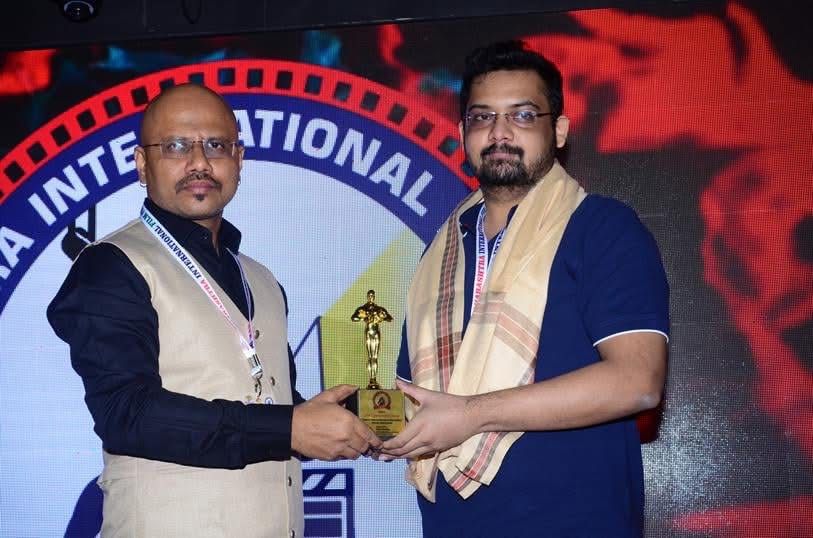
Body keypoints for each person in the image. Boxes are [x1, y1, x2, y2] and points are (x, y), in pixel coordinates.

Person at [47, 83, 380, 537]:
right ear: (142, 164)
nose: (199, 162)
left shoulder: (260, 279)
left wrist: (330, 419)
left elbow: (265, 403)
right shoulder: (111, 265)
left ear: (239, 160)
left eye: (216, 146)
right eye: (176, 146)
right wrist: (288, 428)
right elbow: (126, 413)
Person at [379, 41, 669, 537]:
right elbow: (420, 402)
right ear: (463, 133)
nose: (500, 132)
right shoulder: (439, 255)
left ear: (559, 130)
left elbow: (637, 381)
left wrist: (472, 415)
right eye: (482, 117)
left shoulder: (601, 228)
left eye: (523, 115)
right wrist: (356, 422)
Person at [350, 290, 394, 388]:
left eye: (372, 296)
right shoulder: (363, 308)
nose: (371, 297)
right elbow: (353, 318)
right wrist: (363, 317)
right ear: (367, 297)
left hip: (376, 332)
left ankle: (374, 379)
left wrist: (382, 317)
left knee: (375, 357)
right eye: (369, 296)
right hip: (369, 332)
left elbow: (390, 318)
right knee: (370, 357)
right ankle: (371, 379)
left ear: (374, 297)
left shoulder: (379, 309)